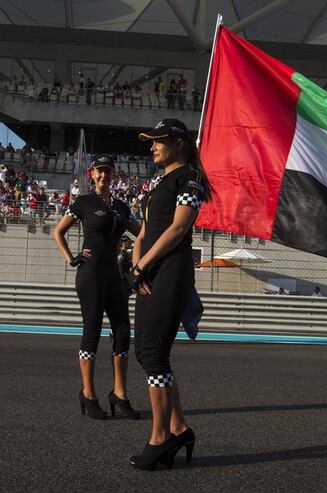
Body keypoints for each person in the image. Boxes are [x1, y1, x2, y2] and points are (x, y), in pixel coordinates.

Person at [128, 118, 213, 470]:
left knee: (154, 353)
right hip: (150, 271)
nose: (152, 147)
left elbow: (179, 227)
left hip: (171, 272)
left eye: (158, 141)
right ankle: (179, 428)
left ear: (178, 143)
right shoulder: (160, 183)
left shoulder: (189, 178)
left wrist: (142, 265)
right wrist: (136, 263)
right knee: (147, 354)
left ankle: (161, 437)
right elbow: (145, 231)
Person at [53, 156, 142, 420]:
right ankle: (88, 394)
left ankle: (120, 394)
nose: (104, 175)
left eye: (108, 171)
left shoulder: (123, 207)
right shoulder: (83, 202)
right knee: (92, 331)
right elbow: (58, 232)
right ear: (92, 174)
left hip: (115, 276)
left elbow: (143, 232)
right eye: (99, 171)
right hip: (90, 274)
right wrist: (71, 258)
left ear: (114, 174)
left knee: (123, 331)